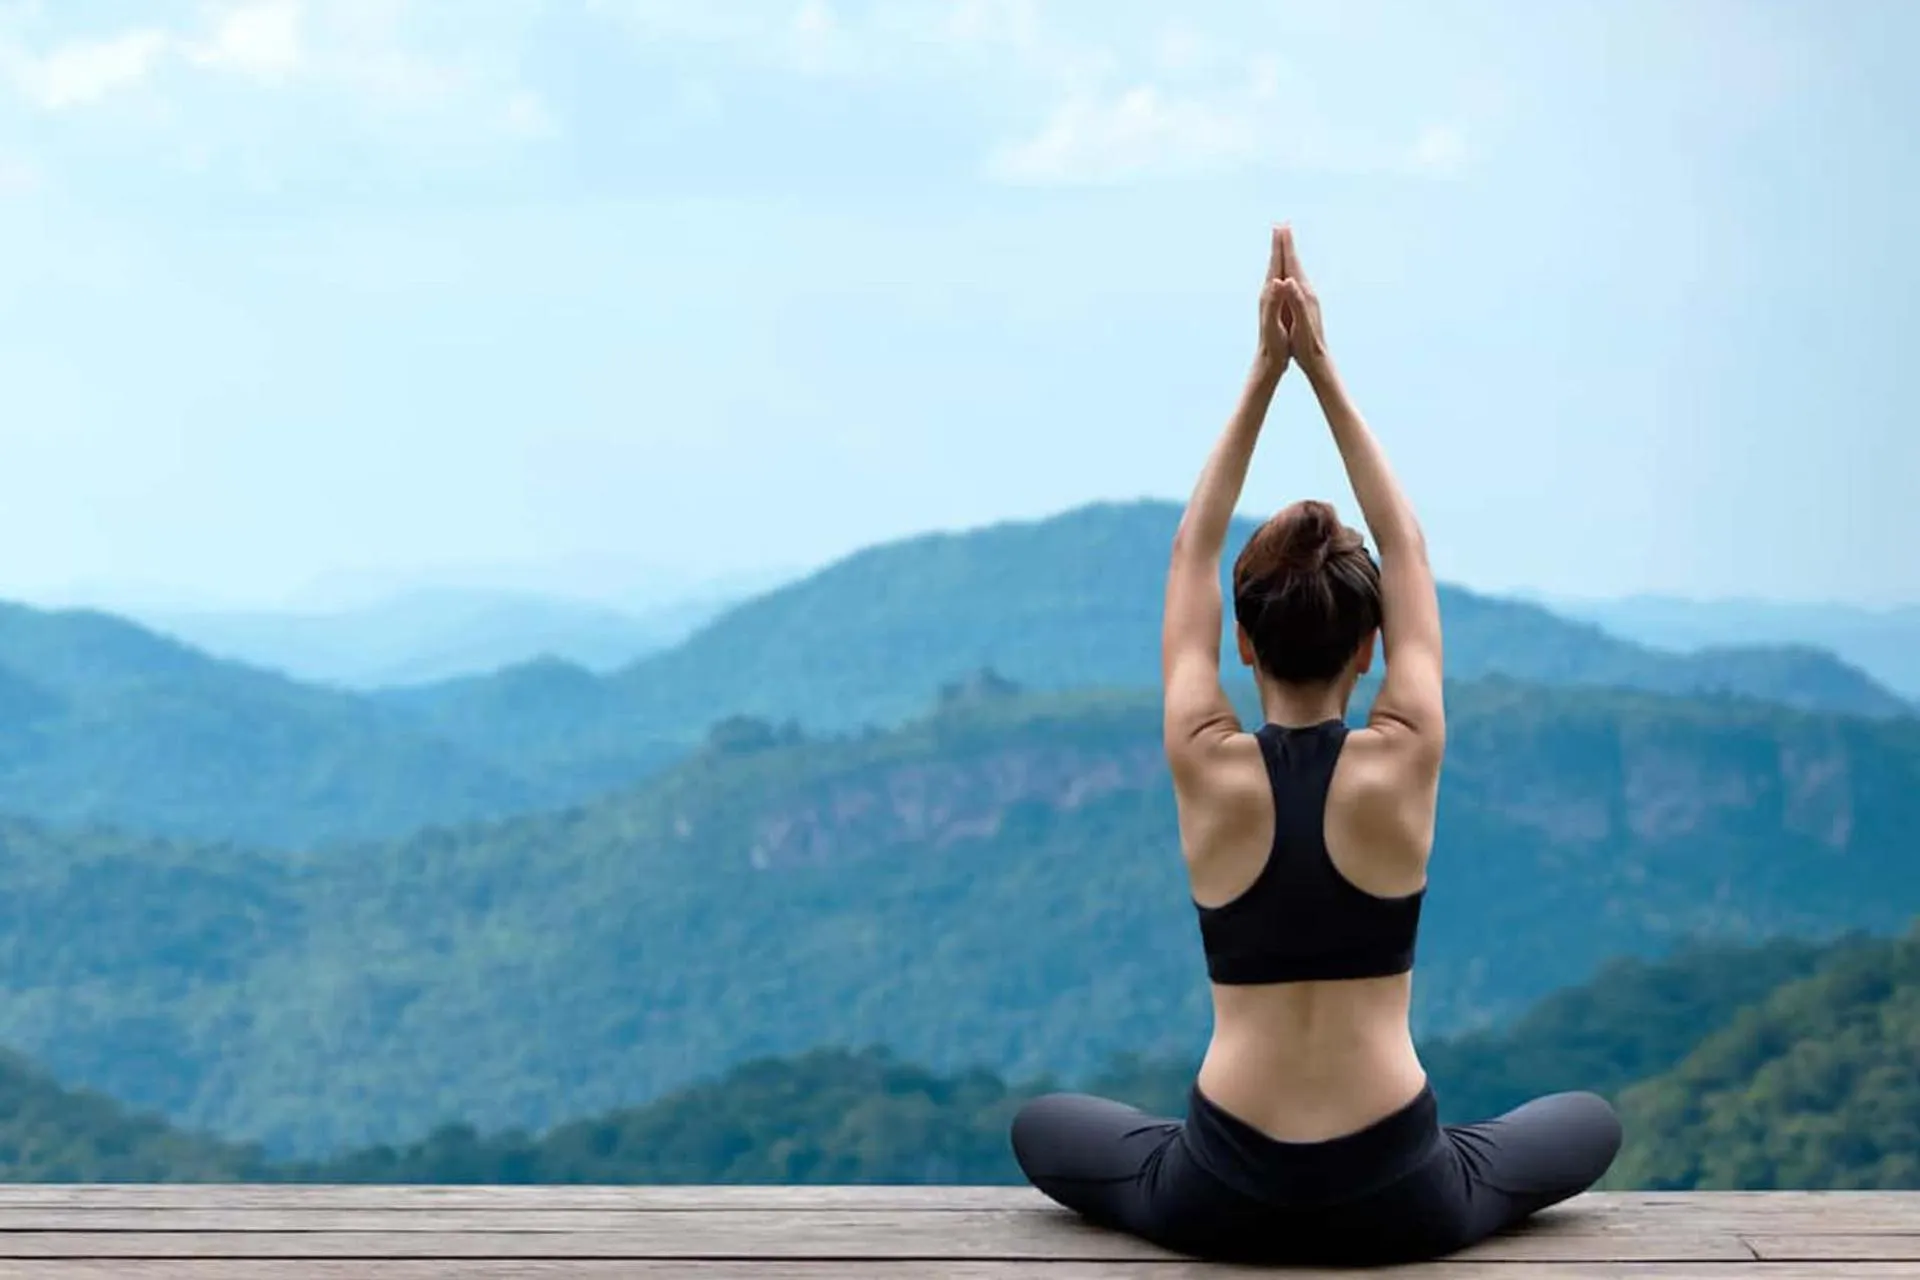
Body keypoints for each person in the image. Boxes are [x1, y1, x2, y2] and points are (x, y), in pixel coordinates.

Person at [1008, 225, 1622, 1266]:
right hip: (1401, 1190)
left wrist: (1263, 371)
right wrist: (1322, 368)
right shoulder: (1405, 751)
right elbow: (1409, 545)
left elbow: (1188, 549)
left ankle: (1194, 1156)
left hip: (1219, 1186)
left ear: (1240, 644)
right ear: (1373, 643)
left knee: (1043, 1125)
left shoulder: (1207, 760)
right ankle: (1453, 1158)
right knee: (1588, 1120)